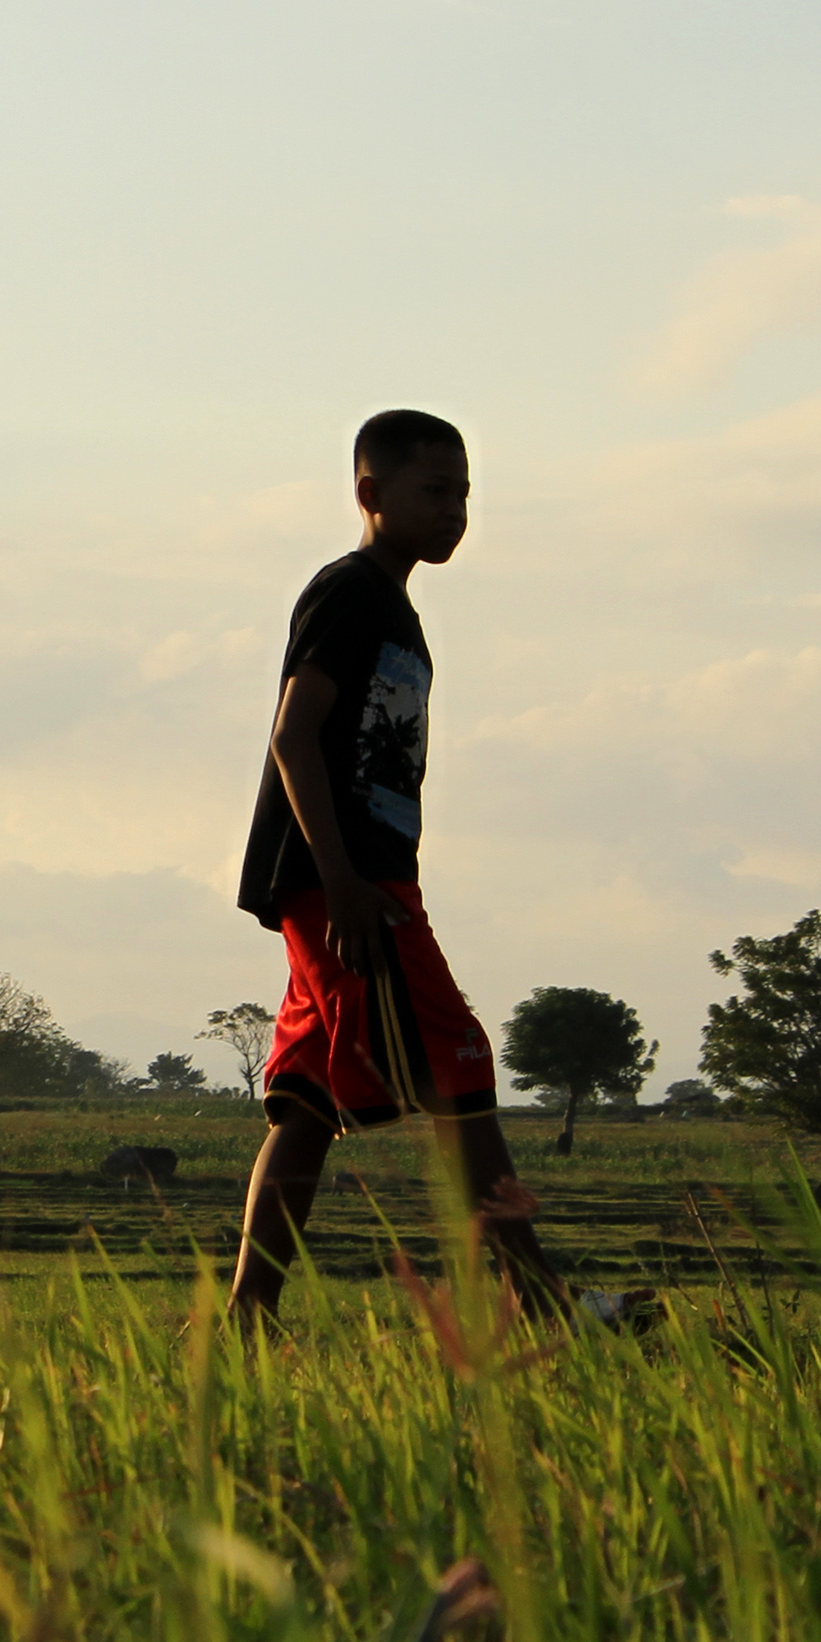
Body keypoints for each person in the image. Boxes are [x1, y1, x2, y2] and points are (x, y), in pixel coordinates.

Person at [224, 408, 625, 1329]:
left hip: (349, 880)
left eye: (465, 495)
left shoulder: (394, 606)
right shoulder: (352, 591)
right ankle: (543, 1301)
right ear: (370, 494)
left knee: (306, 1100)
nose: (455, 512)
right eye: (434, 492)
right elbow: (293, 735)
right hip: (348, 885)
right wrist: (346, 883)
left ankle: (248, 1318)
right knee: (459, 1066)